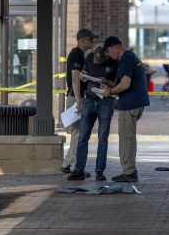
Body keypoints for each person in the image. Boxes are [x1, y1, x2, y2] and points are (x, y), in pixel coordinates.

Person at [102, 36, 150, 183]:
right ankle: (130, 170)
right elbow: (127, 81)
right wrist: (109, 84)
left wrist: (111, 92)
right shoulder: (131, 56)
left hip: (129, 105)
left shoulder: (126, 58)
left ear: (114, 47)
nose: (110, 56)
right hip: (136, 103)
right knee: (129, 138)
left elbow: (126, 83)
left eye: (109, 52)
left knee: (126, 140)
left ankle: (129, 172)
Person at [68, 46, 118, 181]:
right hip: (90, 100)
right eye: (97, 60)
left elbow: (118, 84)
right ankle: (79, 169)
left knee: (102, 137)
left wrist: (107, 83)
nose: (98, 62)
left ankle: (99, 171)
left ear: (107, 56)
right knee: (82, 136)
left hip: (105, 102)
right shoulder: (90, 58)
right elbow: (82, 75)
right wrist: (84, 77)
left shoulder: (114, 63)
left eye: (101, 61)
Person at [62, 29, 97, 174]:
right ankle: (75, 166)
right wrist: (78, 100)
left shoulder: (78, 54)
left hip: (76, 96)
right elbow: (75, 78)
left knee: (78, 133)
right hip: (77, 97)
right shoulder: (77, 55)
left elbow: (78, 76)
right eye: (91, 40)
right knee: (78, 133)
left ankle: (68, 163)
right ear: (83, 40)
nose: (92, 42)